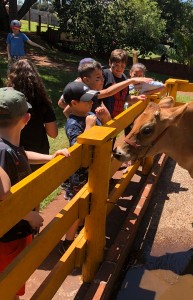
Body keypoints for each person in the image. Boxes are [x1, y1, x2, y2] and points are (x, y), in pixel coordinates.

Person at [0, 87, 70, 299]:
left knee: (15, 279)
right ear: (27, 118)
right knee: (9, 283)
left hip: (17, 230)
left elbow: (21, 155)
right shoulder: (1, 150)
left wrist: (49, 158)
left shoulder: (9, 146)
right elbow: (2, 193)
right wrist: (28, 215)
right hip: (9, 236)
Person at [59, 81, 104, 253]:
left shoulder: (89, 114)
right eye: (87, 100)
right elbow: (78, 149)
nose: (91, 102)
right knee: (77, 206)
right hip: (79, 174)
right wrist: (89, 127)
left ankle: (82, 227)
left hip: (92, 169)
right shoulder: (73, 124)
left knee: (87, 202)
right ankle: (67, 242)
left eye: (92, 99)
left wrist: (105, 119)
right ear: (74, 104)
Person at [7, 58, 58, 172]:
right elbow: (53, 133)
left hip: (13, 154)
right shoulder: (42, 100)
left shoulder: (8, 101)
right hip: (39, 155)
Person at [58, 58, 153, 119]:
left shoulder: (90, 93)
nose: (103, 80)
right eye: (98, 77)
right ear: (85, 79)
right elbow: (107, 92)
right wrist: (130, 81)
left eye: (102, 76)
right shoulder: (85, 93)